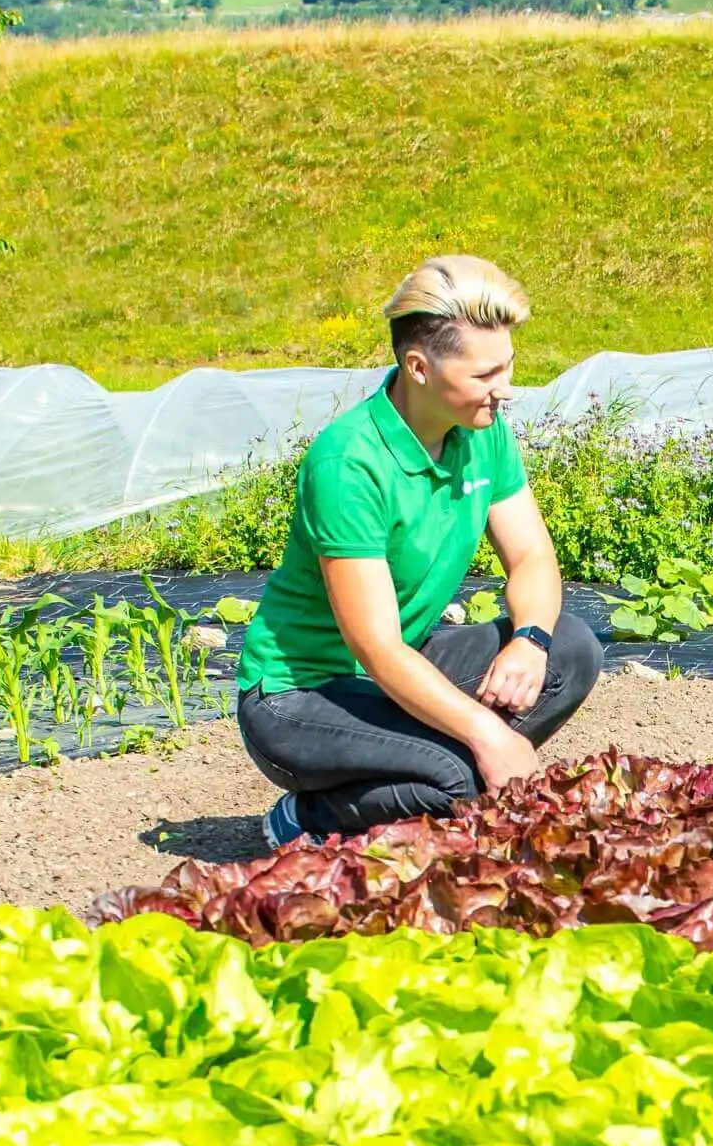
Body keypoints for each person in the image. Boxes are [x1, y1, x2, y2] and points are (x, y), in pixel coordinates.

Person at [236, 254, 604, 842]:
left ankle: (415, 773)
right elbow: (376, 649)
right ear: (419, 367)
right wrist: (488, 734)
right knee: (460, 777)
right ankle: (308, 818)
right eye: (485, 376)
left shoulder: (484, 435)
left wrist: (530, 642)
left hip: (402, 664)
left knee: (572, 648)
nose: (503, 391)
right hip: (301, 696)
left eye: (506, 368)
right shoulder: (349, 464)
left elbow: (532, 556)